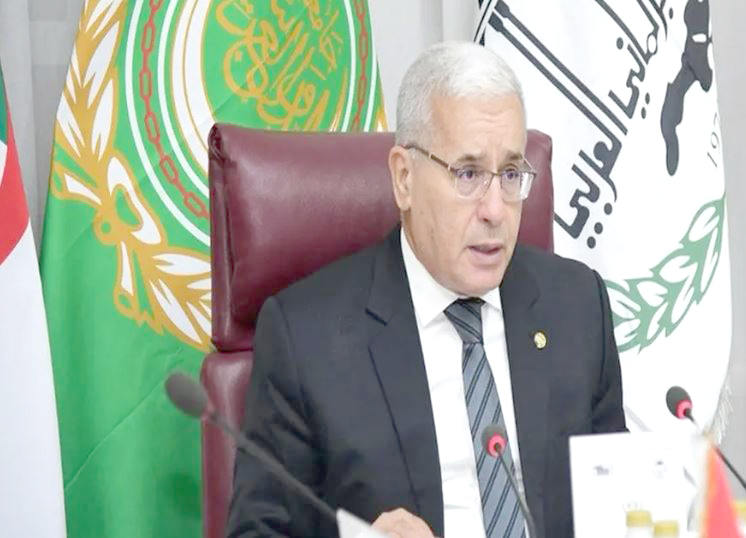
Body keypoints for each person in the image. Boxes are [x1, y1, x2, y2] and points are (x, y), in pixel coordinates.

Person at [227, 41, 626, 538]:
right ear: (404, 178)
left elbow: (621, 508)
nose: (495, 210)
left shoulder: (577, 308)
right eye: (468, 174)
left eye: (509, 174)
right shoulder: (307, 339)